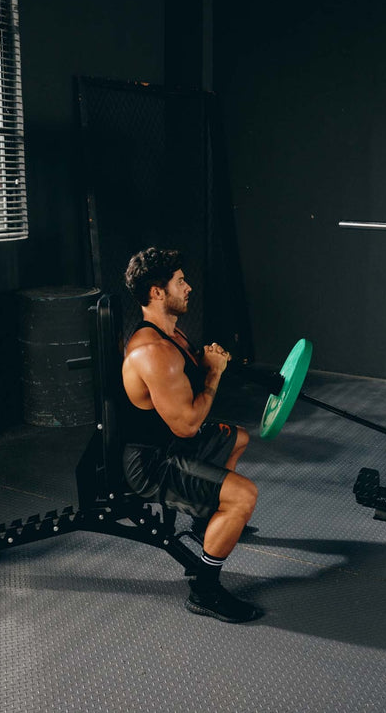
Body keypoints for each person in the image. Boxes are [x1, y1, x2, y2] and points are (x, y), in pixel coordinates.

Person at [120, 247, 262, 623]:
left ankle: (205, 524)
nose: (189, 287)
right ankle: (205, 587)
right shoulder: (151, 351)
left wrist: (210, 361)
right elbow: (187, 425)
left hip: (171, 442)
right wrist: (214, 375)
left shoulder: (172, 335)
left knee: (239, 437)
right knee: (244, 496)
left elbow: (188, 375)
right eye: (180, 282)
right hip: (152, 462)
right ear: (157, 293)